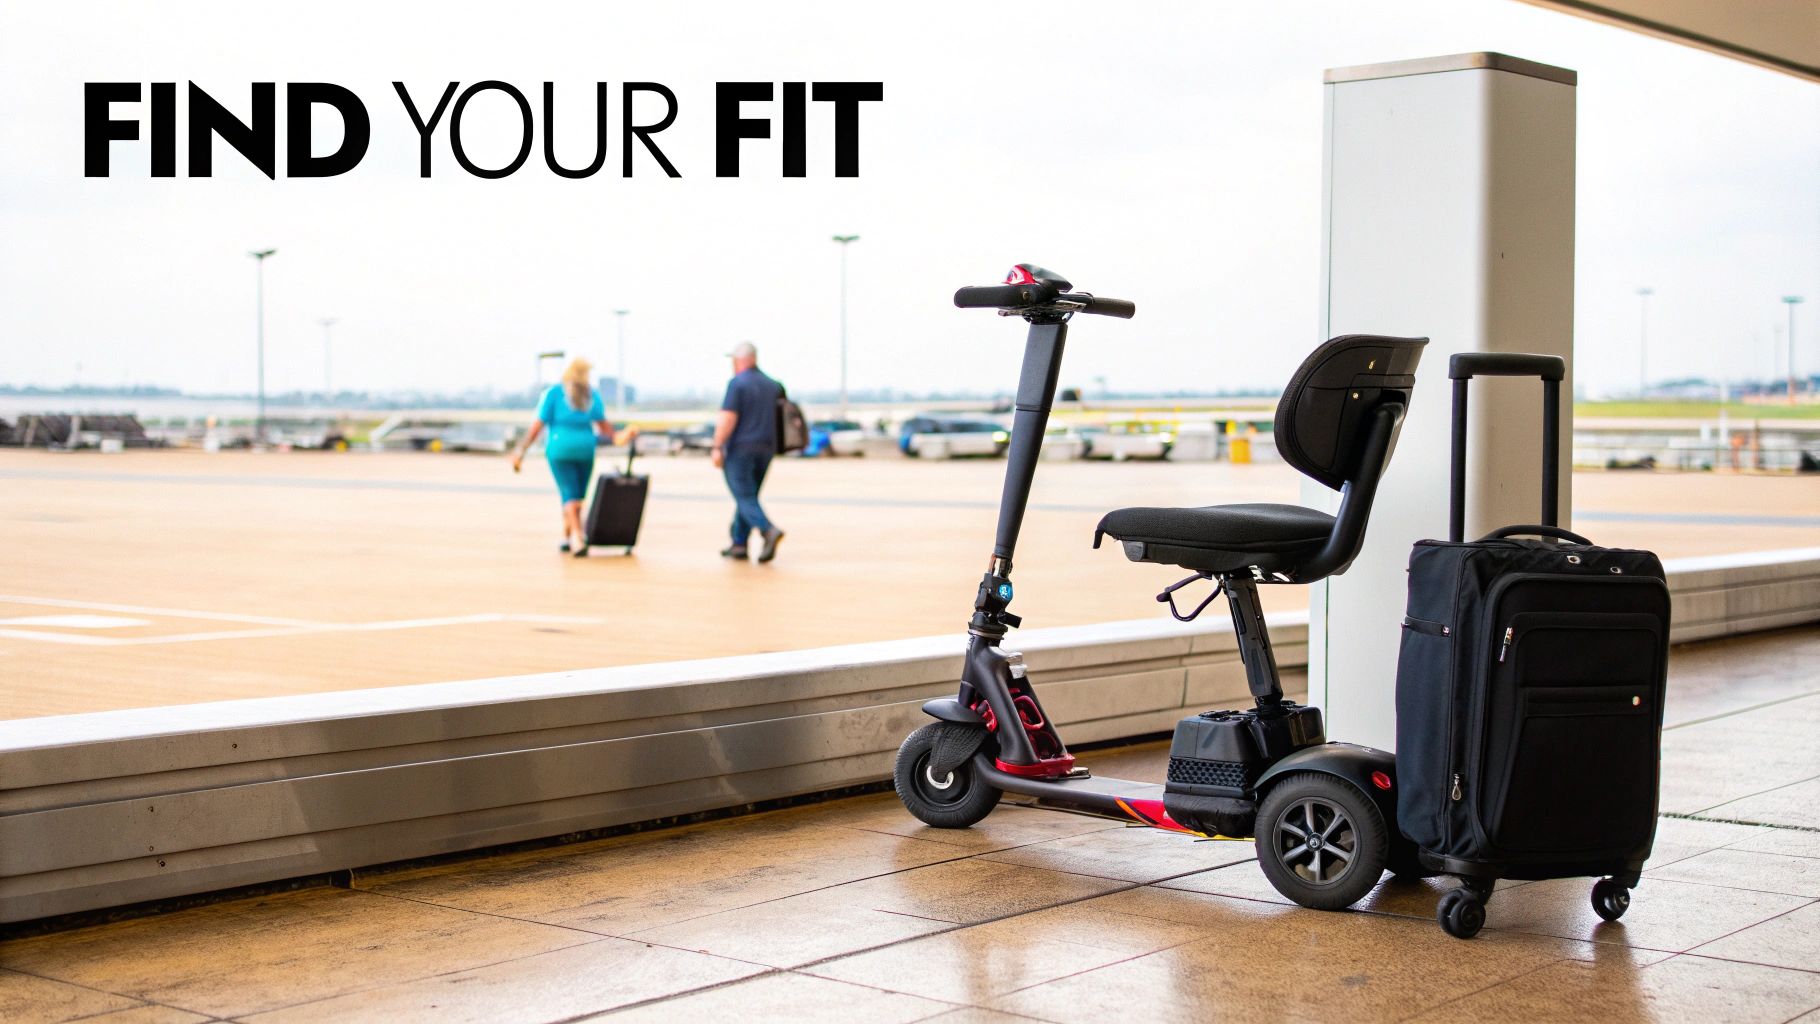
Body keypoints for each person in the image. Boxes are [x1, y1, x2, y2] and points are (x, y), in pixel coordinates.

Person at [511, 357, 623, 557]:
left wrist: (521, 451)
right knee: (577, 495)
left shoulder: (554, 394)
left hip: (559, 448)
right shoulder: (591, 395)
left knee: (569, 493)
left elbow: (537, 426)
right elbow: (605, 427)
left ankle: (577, 537)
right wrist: (619, 437)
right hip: (585, 449)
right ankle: (566, 537)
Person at [712, 341, 785, 562]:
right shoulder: (774, 385)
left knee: (743, 496)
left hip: (740, 449)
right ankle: (739, 544)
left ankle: (768, 530)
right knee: (748, 496)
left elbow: (728, 417)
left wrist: (717, 446)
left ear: (741, 360)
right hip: (766, 448)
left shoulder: (737, 384)